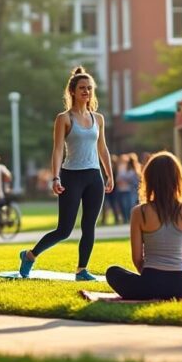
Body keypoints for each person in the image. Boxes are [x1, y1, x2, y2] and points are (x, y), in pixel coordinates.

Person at [20, 66, 114, 281]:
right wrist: (56, 176)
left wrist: (109, 174)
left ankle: (82, 270)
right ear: (72, 91)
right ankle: (29, 256)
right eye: (82, 88)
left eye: (89, 88)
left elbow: (102, 148)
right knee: (64, 230)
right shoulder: (64, 118)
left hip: (94, 177)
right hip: (71, 176)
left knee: (89, 226)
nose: (86, 92)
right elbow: (58, 149)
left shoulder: (98, 118)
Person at [105, 152, 182, 300]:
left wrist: (155, 280)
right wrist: (173, 276)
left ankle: (154, 286)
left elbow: (137, 259)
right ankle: (178, 284)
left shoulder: (139, 212)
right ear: (178, 179)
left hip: (148, 286)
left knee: (113, 272)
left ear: (149, 179)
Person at [113, 154, 140, 224]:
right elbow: (118, 178)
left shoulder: (134, 169)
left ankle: (130, 219)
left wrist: (125, 179)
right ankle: (126, 219)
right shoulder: (122, 168)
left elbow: (133, 180)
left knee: (130, 205)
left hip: (130, 190)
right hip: (121, 189)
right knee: (123, 205)